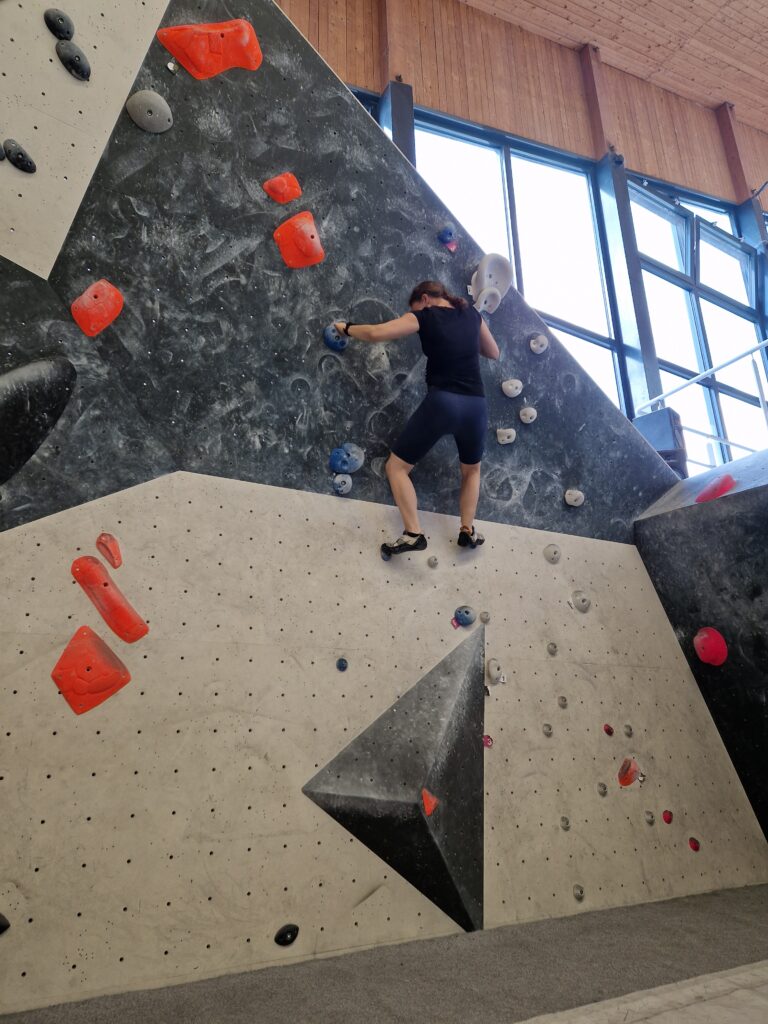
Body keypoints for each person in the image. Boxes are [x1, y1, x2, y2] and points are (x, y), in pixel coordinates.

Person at [335, 279, 500, 558]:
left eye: (414, 307)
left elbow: (377, 333)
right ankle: (467, 529)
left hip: (444, 403)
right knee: (471, 471)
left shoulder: (425, 316)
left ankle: (413, 533)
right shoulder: (472, 314)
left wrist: (347, 328)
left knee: (396, 468)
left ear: (424, 299)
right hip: (476, 407)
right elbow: (494, 352)